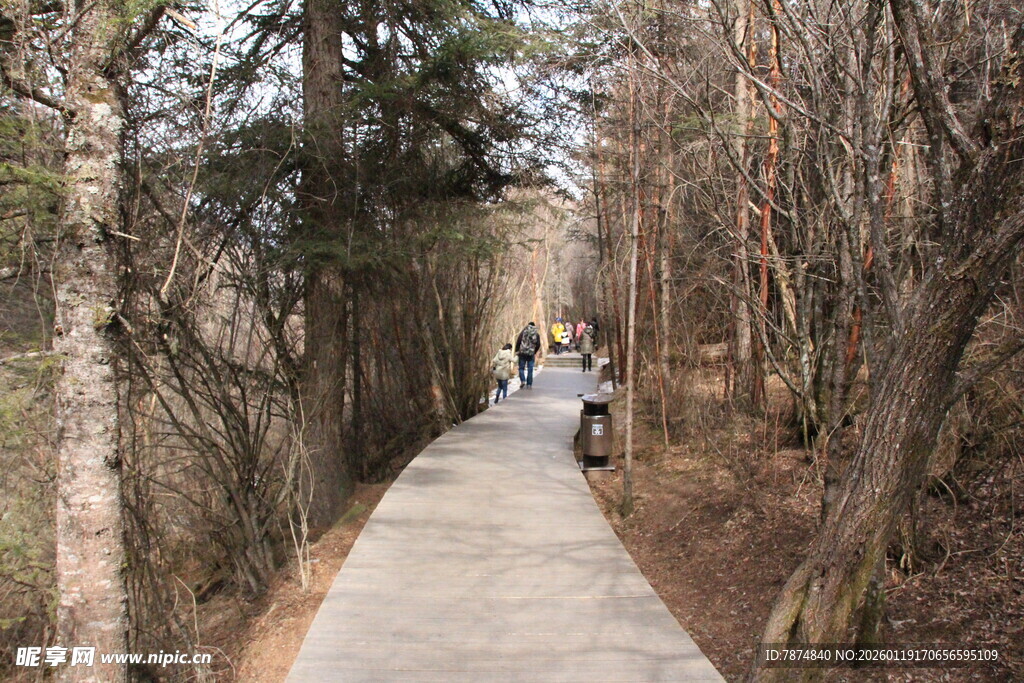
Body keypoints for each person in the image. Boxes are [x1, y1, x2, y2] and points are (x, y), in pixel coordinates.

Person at [515, 322, 541, 389]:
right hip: (531, 354)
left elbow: (518, 341)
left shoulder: (523, 332)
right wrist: (534, 351)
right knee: (530, 369)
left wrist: (517, 350)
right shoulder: (536, 334)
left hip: (522, 353)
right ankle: (529, 384)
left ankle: (523, 381)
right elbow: (538, 344)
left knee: (521, 368)